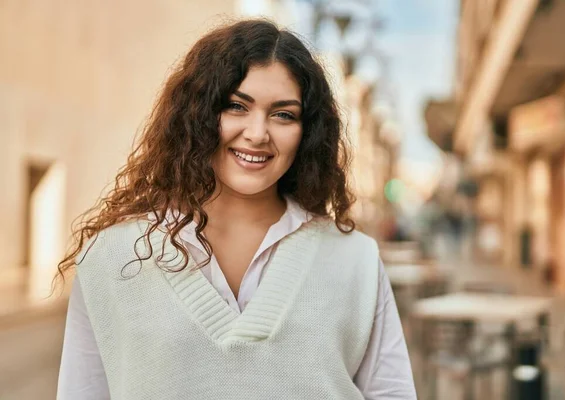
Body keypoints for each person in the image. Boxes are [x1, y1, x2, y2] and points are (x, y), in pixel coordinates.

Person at [56, 19, 416, 400]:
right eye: (235, 106)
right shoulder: (110, 257)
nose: (258, 133)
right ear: (197, 116)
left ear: (306, 132)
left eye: (283, 114)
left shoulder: (354, 260)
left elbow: (391, 393)